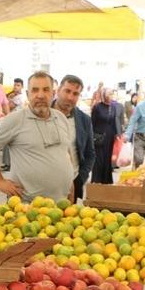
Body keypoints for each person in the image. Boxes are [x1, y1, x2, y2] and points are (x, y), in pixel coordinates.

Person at [0, 71, 78, 203]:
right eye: (35, 90)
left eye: (46, 90)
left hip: (61, 205)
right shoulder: (15, 119)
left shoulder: (61, 118)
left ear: (53, 93)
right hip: (26, 207)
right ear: (27, 94)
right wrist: (0, 181)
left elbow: (65, 153)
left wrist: (70, 186)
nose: (40, 95)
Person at [53, 75, 95, 203]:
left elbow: (90, 154)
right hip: (45, 183)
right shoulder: (42, 114)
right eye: (67, 91)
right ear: (58, 90)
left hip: (73, 183)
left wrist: (80, 179)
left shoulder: (84, 120)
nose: (70, 97)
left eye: (75, 94)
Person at [90, 88, 122, 184]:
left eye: (112, 94)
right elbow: (92, 123)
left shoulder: (113, 107)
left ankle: (106, 181)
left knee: (107, 160)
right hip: (99, 137)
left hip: (110, 137)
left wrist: (117, 134)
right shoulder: (97, 107)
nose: (111, 96)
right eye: (109, 94)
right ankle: (96, 180)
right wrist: (92, 136)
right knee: (99, 160)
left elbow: (113, 122)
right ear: (104, 95)